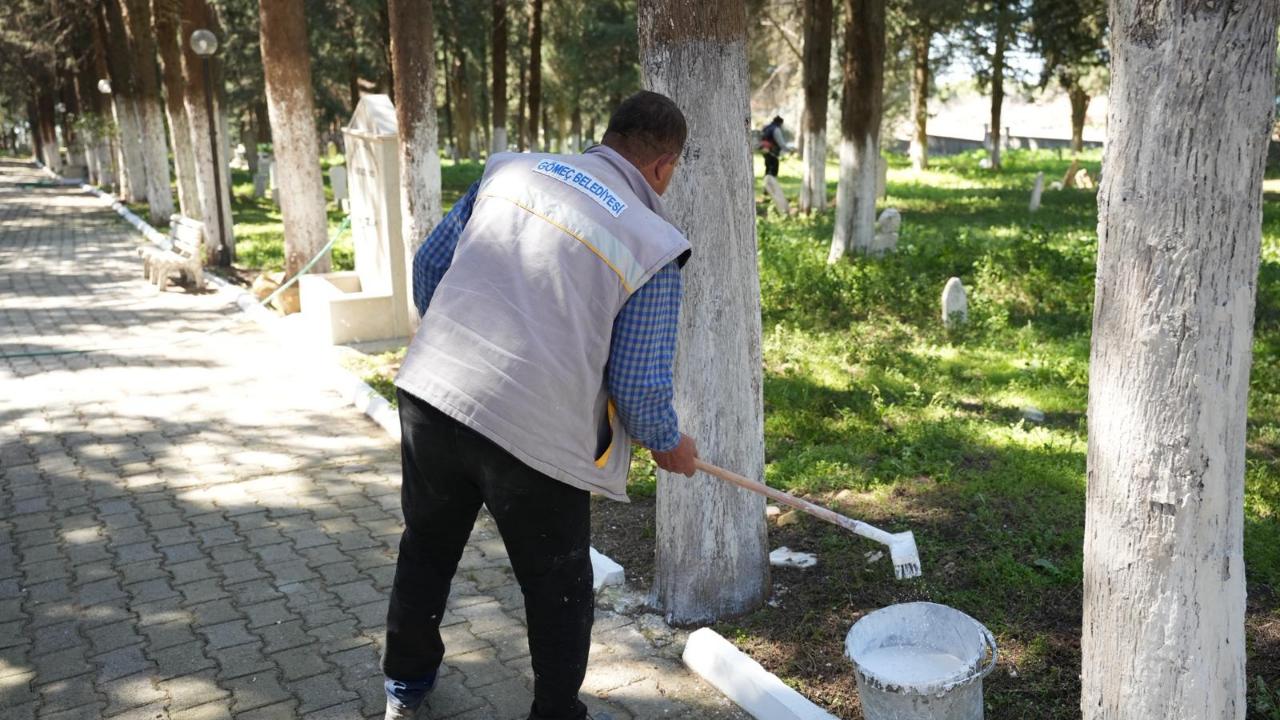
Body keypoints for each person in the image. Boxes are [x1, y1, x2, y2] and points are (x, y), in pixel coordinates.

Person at [381, 90, 701, 720]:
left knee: (426, 546)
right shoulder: (651, 242)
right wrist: (669, 443)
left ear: (605, 137)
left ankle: (405, 688)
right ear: (663, 166)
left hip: (432, 392)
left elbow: (428, 272)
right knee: (557, 584)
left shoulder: (510, 170)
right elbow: (638, 383)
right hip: (531, 434)